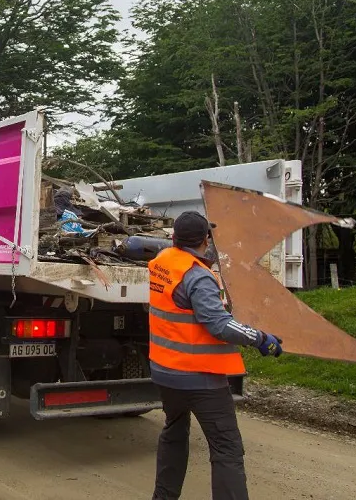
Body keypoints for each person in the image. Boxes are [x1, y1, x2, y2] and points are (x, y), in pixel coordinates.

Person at [149, 211, 283, 500]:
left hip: (165, 372)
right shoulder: (198, 276)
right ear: (205, 241)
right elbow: (219, 324)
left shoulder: (162, 262)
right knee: (227, 448)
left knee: (174, 431)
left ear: (174, 238)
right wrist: (261, 339)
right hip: (200, 377)